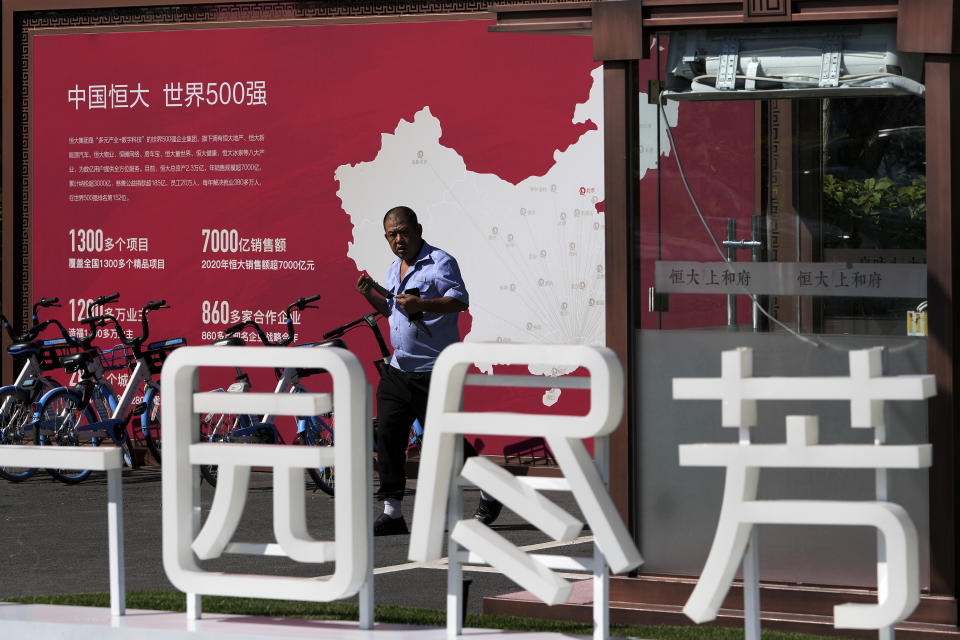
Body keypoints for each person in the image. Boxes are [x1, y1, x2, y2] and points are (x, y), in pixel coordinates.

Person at [356, 205, 502, 536]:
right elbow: (395, 312)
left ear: (418, 230)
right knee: (389, 437)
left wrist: (422, 304)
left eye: (403, 232)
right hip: (398, 368)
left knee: (445, 439)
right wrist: (371, 299)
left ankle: (490, 489)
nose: (398, 240)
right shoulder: (394, 269)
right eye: (391, 235)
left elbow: (460, 301)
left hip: (432, 368)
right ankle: (392, 512)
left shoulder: (440, 262)